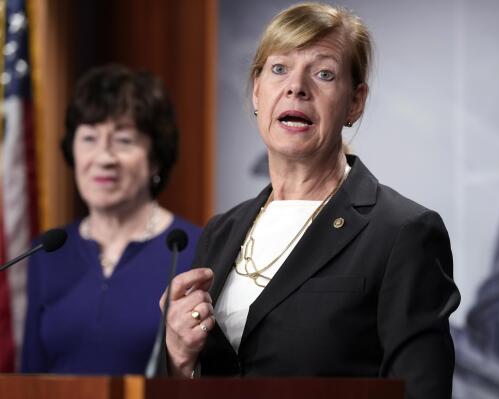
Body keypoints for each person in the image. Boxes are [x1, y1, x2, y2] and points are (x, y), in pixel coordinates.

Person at [161, 3, 460, 398]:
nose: (296, 86)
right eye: (279, 68)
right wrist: (180, 360)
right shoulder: (220, 233)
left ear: (355, 102)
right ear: (256, 91)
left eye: (323, 74)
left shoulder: (403, 232)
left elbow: (421, 391)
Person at [21, 64, 202, 375]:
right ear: (72, 151)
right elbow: (30, 375)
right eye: (90, 138)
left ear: (155, 157)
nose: (104, 158)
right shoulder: (46, 252)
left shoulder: (192, 250)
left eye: (124, 140)